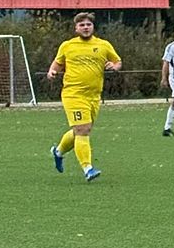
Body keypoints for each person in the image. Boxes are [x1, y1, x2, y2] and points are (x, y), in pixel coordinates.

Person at [47, 12, 122, 182]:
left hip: (94, 96)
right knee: (83, 130)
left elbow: (118, 61)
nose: (85, 27)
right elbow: (57, 64)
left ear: (93, 27)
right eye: (82, 25)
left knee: (81, 129)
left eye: (88, 25)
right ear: (76, 28)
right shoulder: (68, 46)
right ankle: (88, 168)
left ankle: (58, 152)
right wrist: (52, 71)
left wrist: (114, 66)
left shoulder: (103, 45)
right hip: (73, 94)